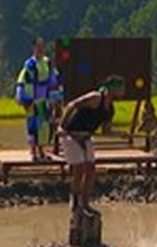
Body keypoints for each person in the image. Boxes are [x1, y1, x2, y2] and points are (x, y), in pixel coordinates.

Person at [57, 75, 123, 217]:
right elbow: (72, 105)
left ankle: (85, 203)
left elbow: (106, 130)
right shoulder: (95, 98)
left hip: (86, 137)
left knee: (91, 169)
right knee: (79, 168)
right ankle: (75, 203)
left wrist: (121, 133)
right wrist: (61, 126)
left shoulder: (110, 109)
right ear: (112, 89)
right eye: (120, 88)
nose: (122, 92)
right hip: (71, 134)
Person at [14, 36, 62, 162]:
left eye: (42, 46)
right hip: (33, 100)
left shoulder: (47, 63)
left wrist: (55, 98)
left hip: (45, 100)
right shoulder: (30, 64)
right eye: (38, 46)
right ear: (33, 48)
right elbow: (23, 80)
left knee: (44, 126)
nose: (40, 49)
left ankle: (42, 151)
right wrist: (25, 99)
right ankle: (33, 152)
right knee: (32, 126)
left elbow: (53, 80)